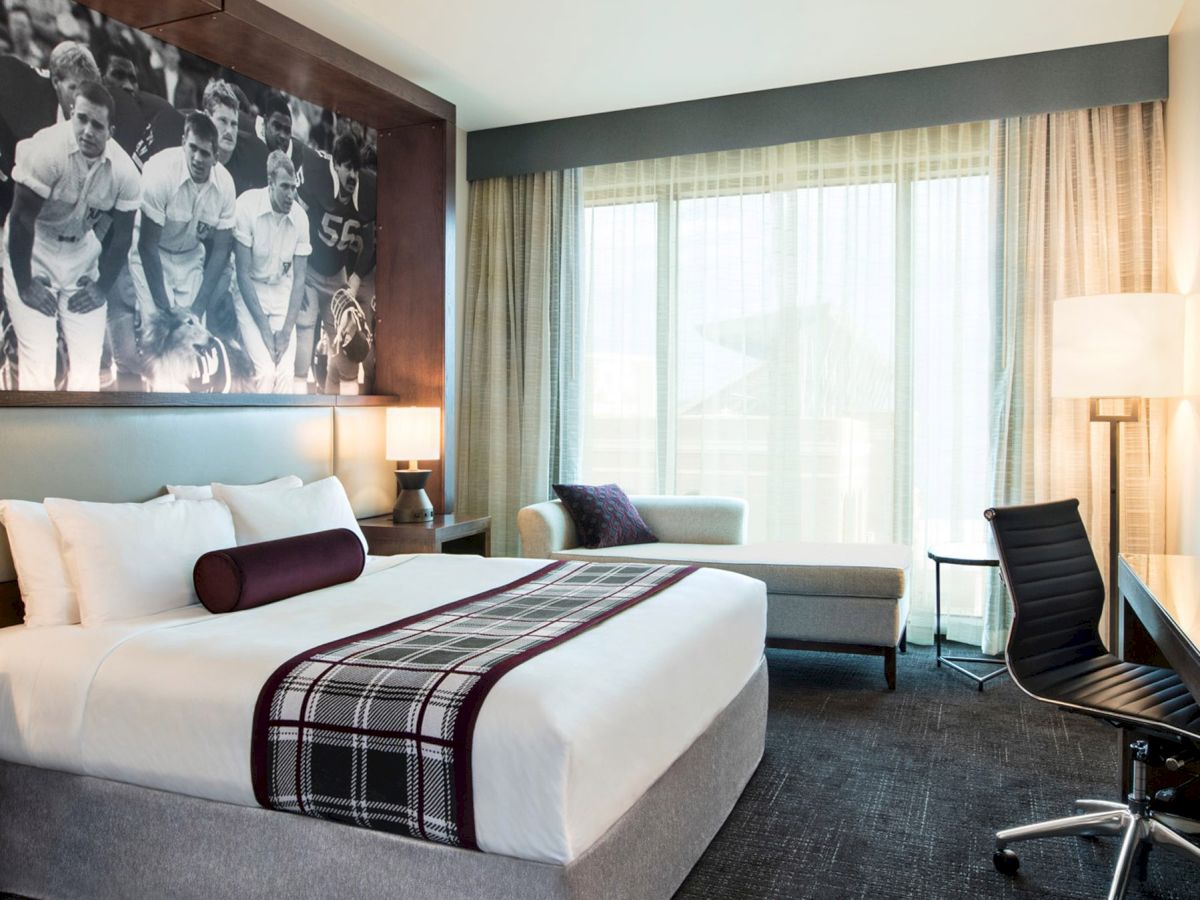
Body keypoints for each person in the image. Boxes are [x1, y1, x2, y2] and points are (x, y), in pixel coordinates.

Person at [4, 80, 139, 391]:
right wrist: (24, 283)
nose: (87, 131)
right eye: (81, 118)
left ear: (111, 131)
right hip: (35, 247)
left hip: (81, 252)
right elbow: (22, 220)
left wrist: (103, 287)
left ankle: (81, 439)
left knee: (88, 374)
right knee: (39, 365)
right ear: (70, 115)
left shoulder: (125, 172)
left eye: (97, 124)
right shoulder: (46, 149)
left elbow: (122, 237)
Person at [131, 111, 234, 317]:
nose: (197, 158)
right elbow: (147, 245)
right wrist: (166, 309)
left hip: (190, 258)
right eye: (192, 148)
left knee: (193, 334)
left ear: (216, 157)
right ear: (183, 143)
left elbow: (222, 249)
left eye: (205, 153)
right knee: (157, 327)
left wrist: (198, 308)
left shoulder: (226, 184)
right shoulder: (159, 170)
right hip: (153, 254)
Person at [295, 132, 375, 393]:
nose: (352, 175)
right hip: (310, 270)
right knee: (305, 336)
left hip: (338, 275)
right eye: (347, 167)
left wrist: (354, 280)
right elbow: (297, 220)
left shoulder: (366, 191)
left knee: (345, 346)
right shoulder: (316, 174)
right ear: (336, 165)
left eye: (356, 168)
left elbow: (369, 243)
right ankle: (297, 401)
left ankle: (342, 406)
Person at [232, 150, 309, 393]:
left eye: (293, 188)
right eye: (285, 187)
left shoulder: (300, 217)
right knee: (265, 372)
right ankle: (255, 429)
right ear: (270, 182)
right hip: (250, 289)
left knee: (285, 374)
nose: (291, 195)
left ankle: (280, 429)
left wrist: (285, 332)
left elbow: (299, 280)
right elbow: (242, 273)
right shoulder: (246, 205)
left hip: (281, 292)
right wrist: (266, 332)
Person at [6, 5, 44, 70]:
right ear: (9, 29)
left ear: (31, 29)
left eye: (22, 24)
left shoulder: (43, 57)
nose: (18, 29)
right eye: (14, 24)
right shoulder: (5, 57)